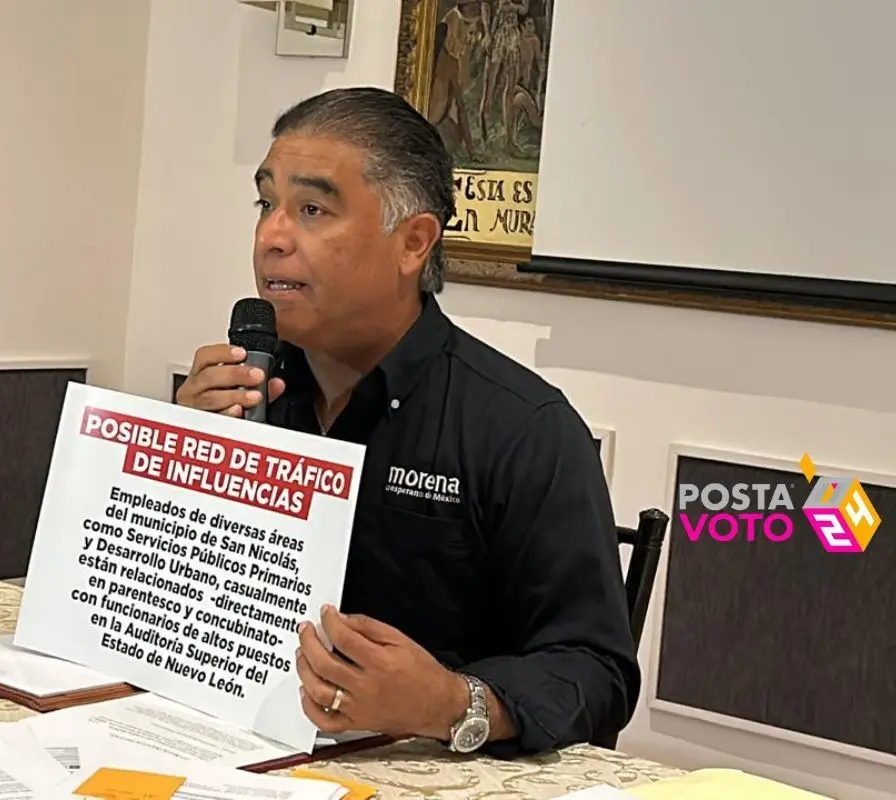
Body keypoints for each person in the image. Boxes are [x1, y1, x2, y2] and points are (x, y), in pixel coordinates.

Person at [174, 86, 639, 756]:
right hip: (232, 752)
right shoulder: (240, 398)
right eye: (266, 203)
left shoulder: (524, 429)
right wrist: (186, 455)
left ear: (413, 242)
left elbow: (595, 675)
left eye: (311, 209)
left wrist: (455, 702)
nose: (272, 236)